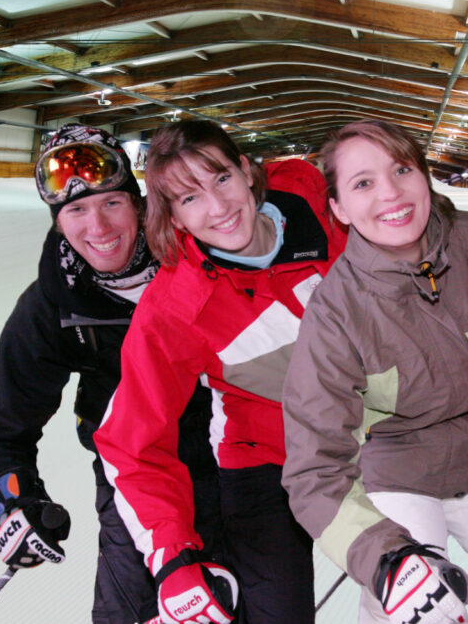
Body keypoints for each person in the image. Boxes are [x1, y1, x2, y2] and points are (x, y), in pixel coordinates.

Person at [281, 119, 468, 624]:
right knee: (418, 614)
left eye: (402, 169)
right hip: (398, 477)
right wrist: (386, 559)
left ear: (424, 174)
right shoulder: (336, 313)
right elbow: (315, 469)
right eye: (362, 183)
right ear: (339, 209)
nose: (391, 194)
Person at [93, 120, 348, 624]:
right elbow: (131, 442)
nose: (218, 208)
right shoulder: (175, 306)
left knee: (410, 588)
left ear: (248, 173)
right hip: (266, 461)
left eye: (222, 180)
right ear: (174, 218)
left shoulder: (316, 206)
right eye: (189, 199)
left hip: (376, 439)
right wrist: (173, 557)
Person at [0, 124, 222, 624]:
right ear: (58, 222)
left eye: (112, 204)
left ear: (139, 204)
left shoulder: (199, 258)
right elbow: (4, 428)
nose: (99, 227)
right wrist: (15, 504)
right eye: (76, 210)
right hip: (132, 475)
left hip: (238, 462)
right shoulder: (54, 304)